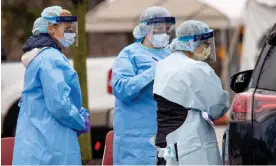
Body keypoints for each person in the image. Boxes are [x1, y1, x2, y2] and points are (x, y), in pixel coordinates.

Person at [12, 6, 90, 165]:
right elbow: (59, 103)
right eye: (67, 28)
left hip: (35, 144)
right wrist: (80, 120)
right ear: (51, 29)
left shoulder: (40, 57)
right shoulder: (50, 59)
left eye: (72, 28)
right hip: (52, 146)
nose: (71, 33)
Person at [153, 20, 229, 165]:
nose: (208, 48)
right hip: (190, 147)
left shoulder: (163, 65)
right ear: (192, 43)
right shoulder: (196, 68)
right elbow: (218, 106)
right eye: (205, 44)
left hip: (165, 142)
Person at [111, 6, 176, 165]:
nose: (165, 34)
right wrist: (152, 72)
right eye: (160, 29)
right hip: (135, 140)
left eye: (167, 30)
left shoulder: (171, 55)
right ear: (146, 29)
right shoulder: (129, 54)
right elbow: (122, 89)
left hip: (167, 134)